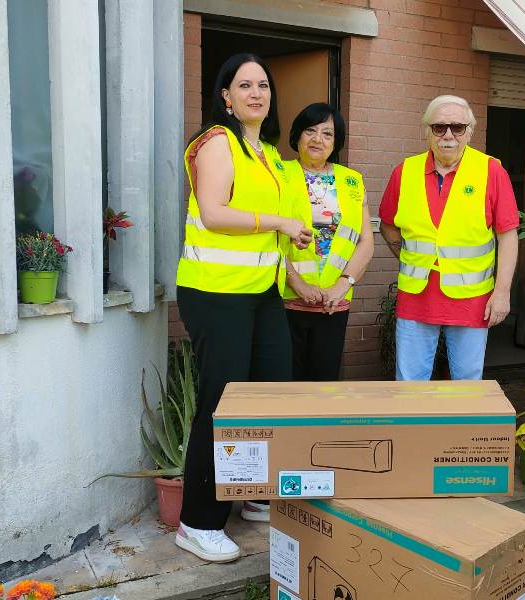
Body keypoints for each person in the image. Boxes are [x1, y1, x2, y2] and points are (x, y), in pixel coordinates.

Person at [174, 54, 312, 562]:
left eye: (263, 85)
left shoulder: (268, 154)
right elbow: (214, 213)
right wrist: (278, 222)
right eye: (244, 85)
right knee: (221, 402)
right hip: (215, 293)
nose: (256, 93)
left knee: (270, 390)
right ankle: (197, 522)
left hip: (261, 293)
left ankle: (250, 491)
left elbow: (273, 232)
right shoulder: (216, 141)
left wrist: (293, 262)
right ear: (225, 96)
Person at [379, 95, 519, 381]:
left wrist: (502, 292)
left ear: (470, 131)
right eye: (439, 127)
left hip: (472, 299)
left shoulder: (491, 171)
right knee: (409, 384)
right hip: (416, 298)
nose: (448, 136)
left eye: (457, 127)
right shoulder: (404, 172)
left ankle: (462, 429)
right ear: (426, 130)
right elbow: (388, 225)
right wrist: (414, 257)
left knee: (468, 385)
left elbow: (508, 235)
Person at [282, 103, 374, 380]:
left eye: (327, 133)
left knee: (324, 380)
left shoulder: (352, 181)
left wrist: (343, 284)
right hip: (286, 300)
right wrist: (297, 283)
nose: (317, 139)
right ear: (297, 135)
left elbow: (365, 241)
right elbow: (265, 237)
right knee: (285, 382)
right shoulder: (279, 174)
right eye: (310, 130)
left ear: (337, 142)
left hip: (334, 302)